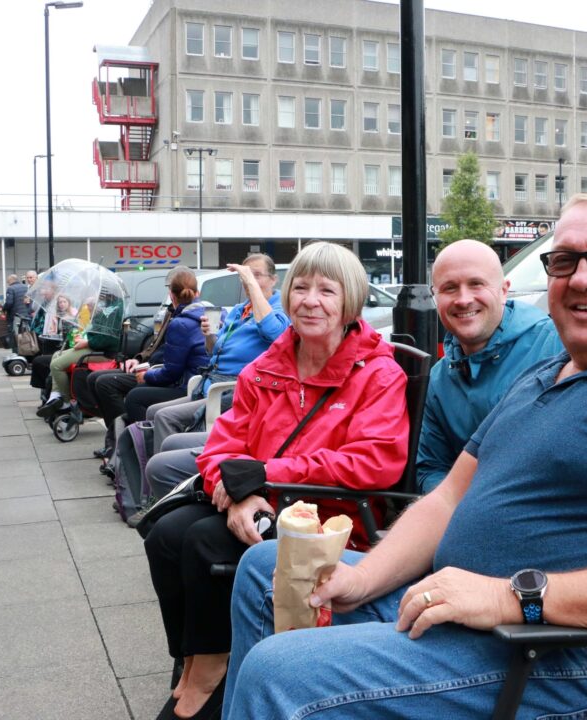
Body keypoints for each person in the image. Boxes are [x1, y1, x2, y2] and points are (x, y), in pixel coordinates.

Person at [222, 194, 587, 719]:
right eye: (564, 261)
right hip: (461, 613)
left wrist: (510, 597)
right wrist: (364, 580)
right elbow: (448, 498)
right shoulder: (539, 379)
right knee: (263, 570)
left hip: (565, 658)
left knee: (280, 672)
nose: (583, 278)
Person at [145, 242, 410, 720]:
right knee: (164, 536)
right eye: (301, 288)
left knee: (204, 541)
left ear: (349, 302)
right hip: (258, 500)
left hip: (324, 517)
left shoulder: (377, 373)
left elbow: (374, 463)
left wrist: (265, 475)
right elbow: (221, 448)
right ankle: (191, 660)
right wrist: (237, 495)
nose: (311, 300)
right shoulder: (268, 365)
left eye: (327, 291)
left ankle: (215, 669)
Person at [417, 239, 564, 493]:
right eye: (450, 288)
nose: (463, 299)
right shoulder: (439, 379)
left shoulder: (555, 347)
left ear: (504, 290)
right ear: (435, 296)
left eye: (476, 284)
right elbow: (430, 468)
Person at [141, 254, 290, 471]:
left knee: (164, 416)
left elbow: (275, 334)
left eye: (257, 275)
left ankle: (166, 481)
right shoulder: (239, 310)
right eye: (246, 276)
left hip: (232, 390)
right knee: (153, 411)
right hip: (209, 383)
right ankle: (154, 481)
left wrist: (251, 284)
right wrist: (209, 336)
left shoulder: (278, 310)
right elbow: (213, 352)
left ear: (274, 280)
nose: (250, 281)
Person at [91, 267, 210, 444]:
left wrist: (148, 373)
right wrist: (139, 360)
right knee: (98, 379)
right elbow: (156, 348)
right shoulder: (206, 314)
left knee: (126, 392)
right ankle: (118, 439)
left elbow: (171, 368)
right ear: (197, 291)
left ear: (171, 294)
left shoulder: (181, 320)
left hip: (183, 381)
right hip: (178, 374)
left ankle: (132, 445)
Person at [37, 291, 124, 417]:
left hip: (101, 351)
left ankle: (66, 401)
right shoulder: (107, 308)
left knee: (56, 365)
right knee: (57, 355)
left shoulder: (111, 310)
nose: (87, 308)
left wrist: (86, 343)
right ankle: (55, 395)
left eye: (89, 306)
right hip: (94, 347)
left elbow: (105, 339)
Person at [3, 274, 29, 352]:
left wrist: (4, 308)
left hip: (15, 316)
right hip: (26, 314)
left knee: (14, 334)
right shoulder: (26, 287)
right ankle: (25, 351)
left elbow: (9, 303)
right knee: (25, 334)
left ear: (11, 280)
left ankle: (16, 352)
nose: (8, 283)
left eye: (8, 281)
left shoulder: (11, 288)